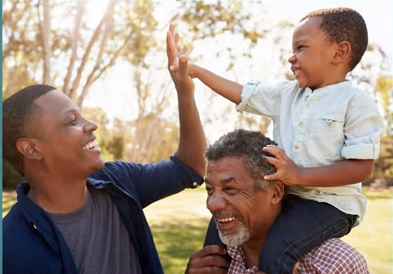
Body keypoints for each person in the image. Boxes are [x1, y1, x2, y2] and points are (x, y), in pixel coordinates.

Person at [170, 7, 384, 273]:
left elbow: (360, 168)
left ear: (339, 52)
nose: (291, 58)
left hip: (330, 206)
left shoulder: (356, 103)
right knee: (216, 236)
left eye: (301, 48)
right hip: (289, 197)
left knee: (276, 251)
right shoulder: (287, 94)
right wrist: (196, 72)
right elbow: (242, 94)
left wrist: (298, 174)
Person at [3, 24, 205, 274]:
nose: (92, 125)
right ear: (32, 148)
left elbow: (189, 168)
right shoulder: (11, 249)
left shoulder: (118, 180)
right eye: (71, 121)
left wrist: (185, 91)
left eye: (82, 116)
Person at [184, 129, 370, 274]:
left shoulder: (336, 265)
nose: (212, 204)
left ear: (275, 193)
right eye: (209, 190)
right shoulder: (212, 261)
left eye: (230, 189)